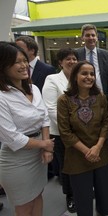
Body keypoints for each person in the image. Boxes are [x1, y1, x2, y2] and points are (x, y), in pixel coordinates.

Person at [57, 61, 108, 216]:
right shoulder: (64, 101)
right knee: (82, 195)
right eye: (84, 73)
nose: (89, 77)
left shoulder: (100, 97)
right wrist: (87, 151)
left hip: (101, 152)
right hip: (77, 155)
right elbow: (65, 132)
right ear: (75, 76)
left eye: (92, 73)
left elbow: (106, 122)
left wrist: (97, 148)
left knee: (105, 191)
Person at [0, 42, 54, 215]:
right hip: (17, 159)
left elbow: (44, 117)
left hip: (39, 153)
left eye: (25, 60)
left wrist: (45, 145)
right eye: (17, 62)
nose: (24, 65)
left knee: (38, 195)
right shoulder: (2, 97)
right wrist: (44, 145)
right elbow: (12, 138)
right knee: (24, 205)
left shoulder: (34, 88)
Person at [42, 48, 78, 213]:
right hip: (61, 133)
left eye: (74, 59)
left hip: (81, 132)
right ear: (60, 62)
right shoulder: (52, 79)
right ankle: (70, 196)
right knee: (66, 166)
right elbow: (50, 109)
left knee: (80, 163)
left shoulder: (80, 78)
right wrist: (69, 128)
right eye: (68, 59)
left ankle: (81, 190)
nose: (72, 62)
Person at [77, 24, 108, 98]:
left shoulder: (106, 55)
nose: (91, 38)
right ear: (82, 38)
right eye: (87, 35)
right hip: (82, 96)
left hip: (103, 95)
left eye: (93, 35)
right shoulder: (77, 54)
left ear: (97, 37)